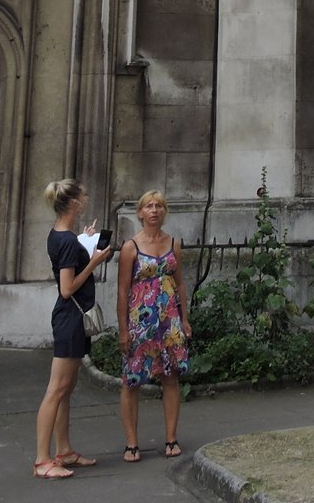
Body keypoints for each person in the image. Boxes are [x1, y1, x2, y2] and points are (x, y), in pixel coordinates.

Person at [34, 179, 114, 479]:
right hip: (70, 318)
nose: (86, 200)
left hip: (69, 319)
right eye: (83, 197)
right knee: (56, 390)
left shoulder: (62, 236)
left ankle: (64, 450)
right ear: (74, 204)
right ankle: (42, 460)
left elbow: (67, 256)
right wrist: (94, 261)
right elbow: (67, 288)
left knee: (66, 389)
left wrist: (85, 241)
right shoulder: (67, 242)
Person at [117, 190, 191, 463]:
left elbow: (180, 282)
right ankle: (131, 442)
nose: (154, 210)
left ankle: (171, 437)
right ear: (140, 213)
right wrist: (123, 330)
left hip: (169, 321)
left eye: (159, 206)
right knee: (132, 381)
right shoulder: (130, 247)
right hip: (140, 323)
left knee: (170, 378)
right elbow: (123, 290)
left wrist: (184, 319)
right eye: (149, 206)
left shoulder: (174, 244)